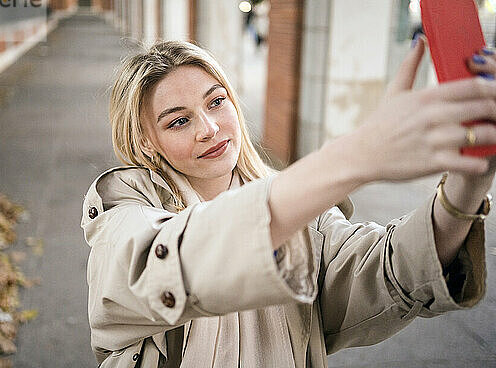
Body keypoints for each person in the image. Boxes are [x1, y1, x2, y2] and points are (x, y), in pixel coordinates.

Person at [81, 38, 495, 367]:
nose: (209, 128)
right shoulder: (121, 204)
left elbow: (388, 270)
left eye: (216, 101)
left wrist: (470, 179)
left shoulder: (299, 207)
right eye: (179, 120)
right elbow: (161, 261)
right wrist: (356, 156)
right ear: (144, 141)